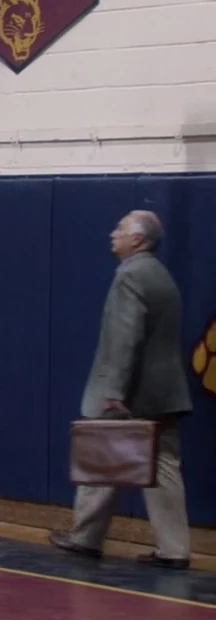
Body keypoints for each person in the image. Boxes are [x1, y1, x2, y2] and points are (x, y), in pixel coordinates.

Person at [49, 210, 195, 569]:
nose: (112, 234)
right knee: (163, 466)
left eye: (120, 228)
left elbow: (123, 338)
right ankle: (175, 549)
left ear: (138, 240)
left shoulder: (129, 275)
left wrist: (113, 390)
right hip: (166, 392)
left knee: (101, 456)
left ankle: (85, 538)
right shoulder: (160, 275)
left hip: (133, 391)